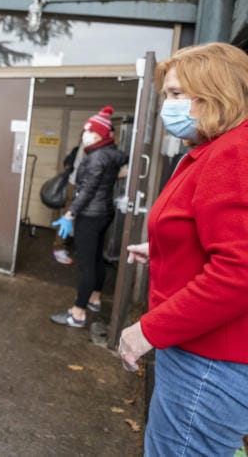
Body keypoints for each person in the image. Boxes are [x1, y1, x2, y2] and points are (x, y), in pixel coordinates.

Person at [118, 42, 248, 456]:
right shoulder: (211, 151)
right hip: (201, 352)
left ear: (215, 94)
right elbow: (209, 235)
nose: (167, 107)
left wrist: (148, 330)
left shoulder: (233, 154)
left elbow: (238, 272)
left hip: (209, 361)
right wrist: (160, 247)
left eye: (176, 95)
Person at [50, 106, 127, 328]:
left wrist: (70, 213)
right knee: (96, 259)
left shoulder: (95, 157)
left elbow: (88, 190)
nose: (84, 135)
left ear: (98, 134)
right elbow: (121, 169)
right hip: (105, 213)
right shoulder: (112, 154)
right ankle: (94, 298)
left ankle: (77, 313)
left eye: (88, 131)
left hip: (90, 215)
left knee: (86, 265)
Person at [51, 143, 83, 265]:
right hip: (75, 186)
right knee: (67, 217)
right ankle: (59, 248)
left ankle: (61, 246)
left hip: (75, 185)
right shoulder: (86, 146)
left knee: (69, 217)